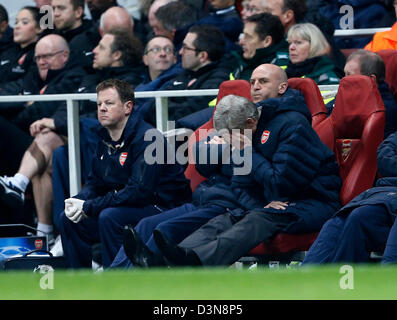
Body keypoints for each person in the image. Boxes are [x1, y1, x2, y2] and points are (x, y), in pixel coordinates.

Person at [150, 64, 341, 267]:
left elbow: (282, 184)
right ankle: (170, 261)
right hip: (273, 202)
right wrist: (257, 201)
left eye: (263, 81)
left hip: (310, 201)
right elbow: (240, 182)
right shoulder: (251, 122)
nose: (255, 87)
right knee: (227, 219)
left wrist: (247, 152)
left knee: (256, 219)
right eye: (252, 82)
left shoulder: (294, 124)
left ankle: (198, 262)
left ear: (282, 87)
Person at [0, 28, 144, 241]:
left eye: (101, 47)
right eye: (37, 57)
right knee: (44, 165)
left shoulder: (128, 81)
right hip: (75, 135)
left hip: (100, 142)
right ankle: (47, 233)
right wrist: (55, 122)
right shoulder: (90, 76)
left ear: (117, 55)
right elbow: (68, 108)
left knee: (47, 143)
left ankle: (20, 184)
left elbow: (102, 118)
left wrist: (56, 123)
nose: (93, 51)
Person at [112, 93, 260, 268]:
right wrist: (221, 146)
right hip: (204, 199)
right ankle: (114, 277)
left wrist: (232, 148)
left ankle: (140, 282)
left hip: (226, 206)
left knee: (165, 229)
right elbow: (202, 164)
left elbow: (246, 178)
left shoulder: (260, 139)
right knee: (145, 224)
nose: (224, 137)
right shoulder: (227, 128)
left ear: (250, 123)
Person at [58, 79, 191, 268]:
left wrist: (89, 206)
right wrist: (79, 201)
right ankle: (79, 281)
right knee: (68, 218)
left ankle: (116, 281)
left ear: (128, 107)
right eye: (99, 104)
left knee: (110, 217)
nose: (102, 108)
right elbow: (95, 183)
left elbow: (139, 191)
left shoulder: (149, 138)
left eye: (109, 103)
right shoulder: (104, 137)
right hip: (126, 203)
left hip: (162, 205)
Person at [303, 130, 397, 264]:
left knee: (361, 216)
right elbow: (384, 153)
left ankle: (348, 282)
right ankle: (305, 279)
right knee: (338, 221)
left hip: (384, 199)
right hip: (385, 192)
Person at [144, 24, 230, 125]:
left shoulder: (220, 80)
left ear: (202, 56)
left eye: (185, 48)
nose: (180, 52)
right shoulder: (186, 73)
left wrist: (167, 109)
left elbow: (189, 113)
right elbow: (152, 106)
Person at [328, 49, 397, 139]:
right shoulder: (348, 97)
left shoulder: (384, 110)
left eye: (349, 75)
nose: (343, 80)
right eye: (344, 74)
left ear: (371, 79)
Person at [228, 12, 289, 81]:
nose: (241, 42)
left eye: (248, 37)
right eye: (243, 35)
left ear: (267, 41)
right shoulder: (240, 67)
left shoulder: (283, 68)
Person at [133, 35, 182, 114]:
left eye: (168, 49)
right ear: (145, 59)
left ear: (175, 59)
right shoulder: (139, 87)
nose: (162, 54)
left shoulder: (181, 82)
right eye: (156, 49)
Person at [0, 7, 43, 87]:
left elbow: (27, 85)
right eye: (16, 22)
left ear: (39, 28)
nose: (17, 27)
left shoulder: (41, 55)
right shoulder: (6, 51)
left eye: (24, 22)